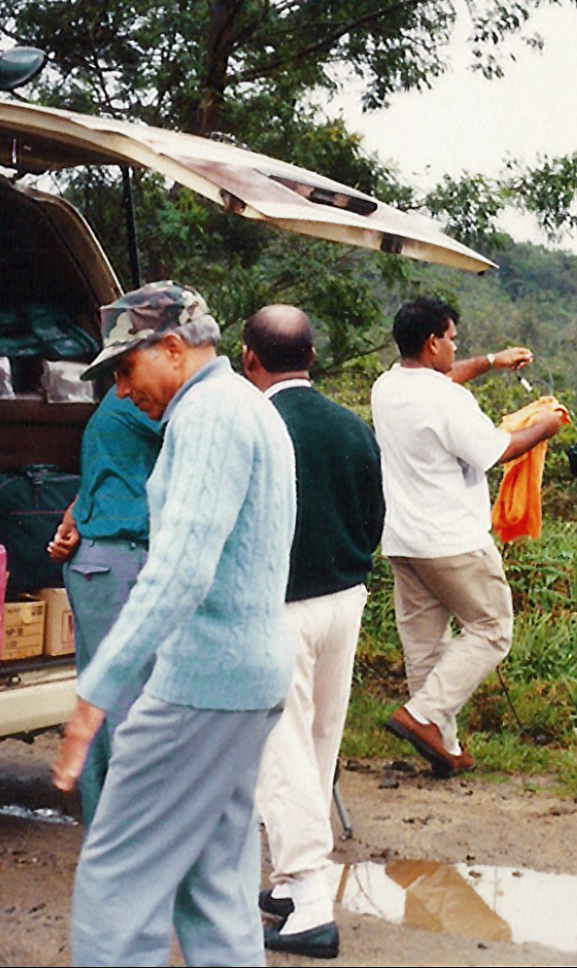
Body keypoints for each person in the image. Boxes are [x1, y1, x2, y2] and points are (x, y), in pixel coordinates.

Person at [52, 280, 296, 967]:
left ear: (171, 348)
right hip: (248, 680)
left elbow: (181, 571)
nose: (124, 392)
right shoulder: (250, 407)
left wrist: (95, 693)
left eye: (126, 370)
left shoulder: (206, 415)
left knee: (117, 877)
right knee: (212, 882)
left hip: (200, 684)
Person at [241, 304, 385, 959]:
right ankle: (294, 887)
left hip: (282, 606)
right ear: (313, 358)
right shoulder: (353, 427)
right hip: (344, 598)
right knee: (318, 741)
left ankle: (309, 904)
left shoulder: (256, 423)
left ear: (249, 359)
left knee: (282, 751)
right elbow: (375, 516)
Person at [370, 296, 564, 777]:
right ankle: (420, 716)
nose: (456, 349)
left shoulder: (387, 386)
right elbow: (496, 451)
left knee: (425, 648)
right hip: (452, 539)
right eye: (453, 340)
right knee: (491, 629)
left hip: (402, 539)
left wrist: (493, 362)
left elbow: (442, 383)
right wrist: (545, 426)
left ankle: (443, 744)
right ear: (433, 342)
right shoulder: (447, 398)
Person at [47, 376, 162, 827]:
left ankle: (104, 826)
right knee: (128, 702)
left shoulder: (117, 405)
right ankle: (129, 833)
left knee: (102, 692)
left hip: (96, 560)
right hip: (121, 557)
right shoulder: (144, 402)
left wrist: (73, 517)